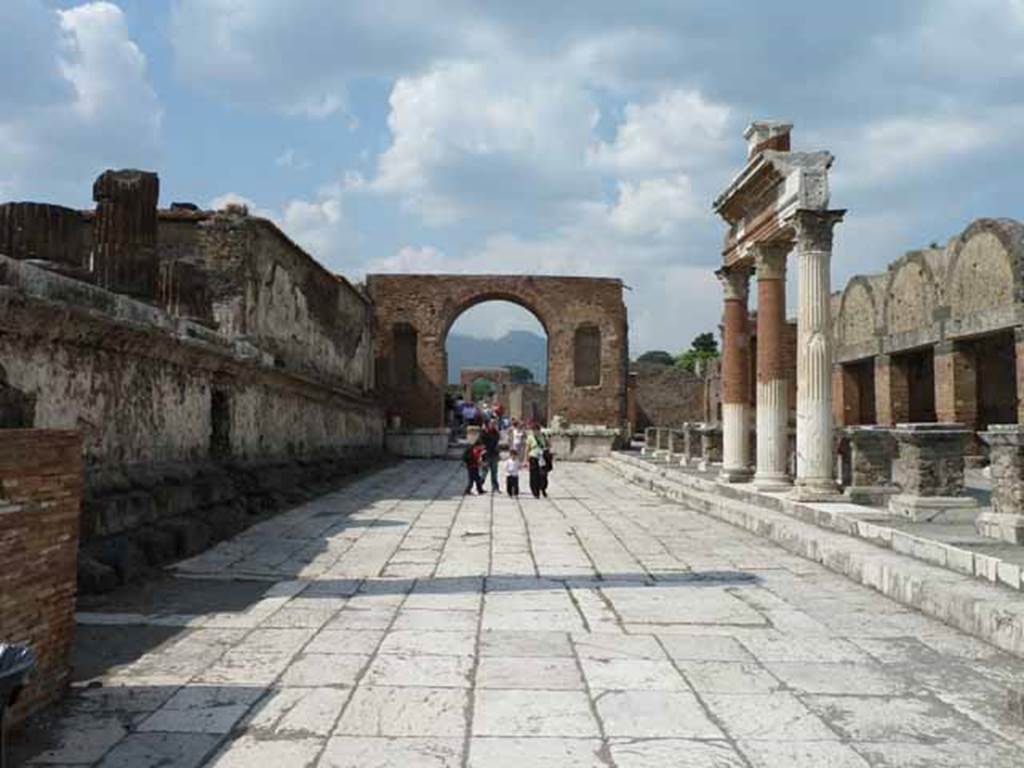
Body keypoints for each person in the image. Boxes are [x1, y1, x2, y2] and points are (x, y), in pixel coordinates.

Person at [526, 422, 549, 498]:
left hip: (542, 458)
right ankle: (535, 491)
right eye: (533, 430)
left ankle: (542, 488)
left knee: (543, 475)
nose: (535, 432)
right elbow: (527, 449)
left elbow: (548, 445)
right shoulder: (530, 437)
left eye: (536, 430)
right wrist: (526, 459)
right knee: (534, 475)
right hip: (533, 457)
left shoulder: (544, 436)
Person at [481, 419, 502, 493]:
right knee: (484, 472)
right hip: (487, 454)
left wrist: (498, 454)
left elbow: (497, 443)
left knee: (494, 472)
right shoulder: (484, 432)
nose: (493, 425)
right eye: (492, 423)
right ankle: (479, 486)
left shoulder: (496, 433)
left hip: (494, 454)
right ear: (489, 424)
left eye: (494, 423)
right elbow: (481, 442)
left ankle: (495, 487)